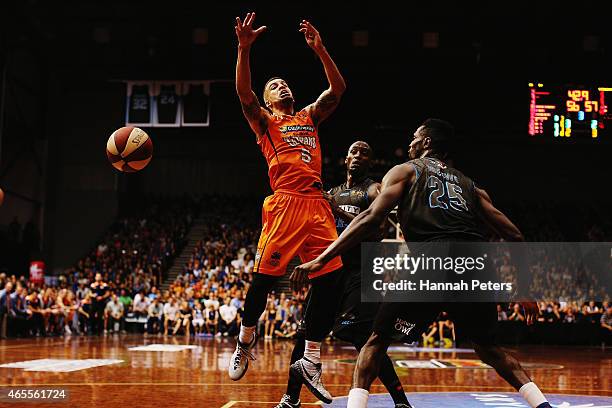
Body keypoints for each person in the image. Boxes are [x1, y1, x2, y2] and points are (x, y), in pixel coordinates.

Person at [293, 119, 552, 408]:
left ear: (427, 143)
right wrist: (526, 290)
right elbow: (515, 235)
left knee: (375, 342)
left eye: (415, 137)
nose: (410, 143)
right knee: (490, 349)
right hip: (474, 263)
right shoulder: (472, 186)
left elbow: (370, 218)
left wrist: (322, 258)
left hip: (432, 257)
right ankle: (543, 405)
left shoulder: (407, 170)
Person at [230, 11, 347, 403]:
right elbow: (244, 94)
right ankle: (245, 342)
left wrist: (321, 50)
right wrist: (244, 50)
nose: (281, 86)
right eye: (274, 85)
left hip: (317, 204)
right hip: (284, 205)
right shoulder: (264, 121)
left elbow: (338, 90)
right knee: (262, 282)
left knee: (331, 279)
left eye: (283, 83)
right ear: (267, 100)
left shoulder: (307, 117)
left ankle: (310, 359)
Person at [277, 141, 411, 408]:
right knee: (305, 335)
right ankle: (291, 398)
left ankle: (401, 401)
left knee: (364, 339)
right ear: (345, 158)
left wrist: (336, 211)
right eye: (354, 151)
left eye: (364, 153)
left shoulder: (373, 190)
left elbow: (377, 230)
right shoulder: (333, 192)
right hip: (330, 272)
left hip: (359, 272)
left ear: (370, 162)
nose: (358, 155)